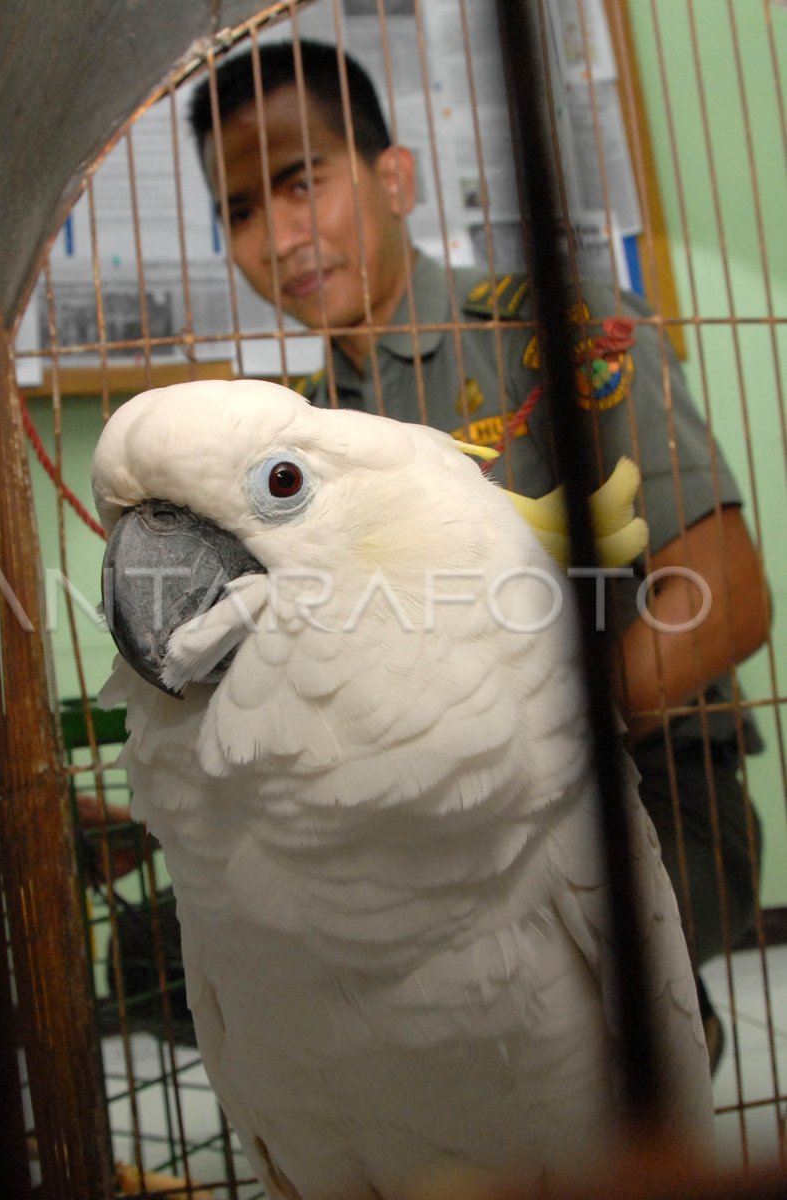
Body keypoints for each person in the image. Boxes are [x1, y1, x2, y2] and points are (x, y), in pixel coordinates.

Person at [187, 38, 770, 1067]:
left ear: (395, 175)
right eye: (239, 211)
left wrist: (541, 752)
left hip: (648, 791)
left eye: (301, 182)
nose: (279, 237)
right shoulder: (297, 449)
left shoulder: (557, 332)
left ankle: (651, 1053)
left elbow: (724, 597)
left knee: (477, 995)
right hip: (413, 824)